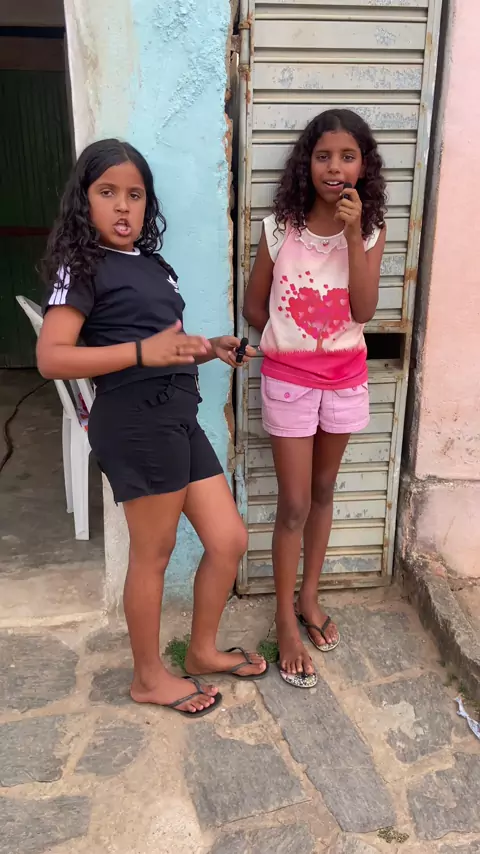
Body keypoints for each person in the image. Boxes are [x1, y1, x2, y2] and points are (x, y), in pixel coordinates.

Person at [37, 139, 267, 717]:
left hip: (176, 416)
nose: (123, 206)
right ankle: (147, 678)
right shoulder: (81, 267)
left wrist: (209, 347)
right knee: (154, 553)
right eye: (107, 192)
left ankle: (202, 650)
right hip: (135, 422)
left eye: (135, 195)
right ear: (83, 200)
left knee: (228, 539)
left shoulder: (151, 266)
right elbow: (52, 357)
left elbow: (168, 344)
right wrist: (143, 353)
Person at [243, 109, 387, 688]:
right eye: (323, 156)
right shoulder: (281, 228)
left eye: (347, 157)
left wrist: (352, 235)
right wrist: (295, 342)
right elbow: (255, 306)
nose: (335, 167)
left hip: (346, 380)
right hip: (289, 381)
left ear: (363, 167)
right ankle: (284, 618)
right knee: (295, 503)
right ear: (307, 164)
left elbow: (364, 309)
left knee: (325, 491)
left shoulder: (370, 229)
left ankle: (309, 597)